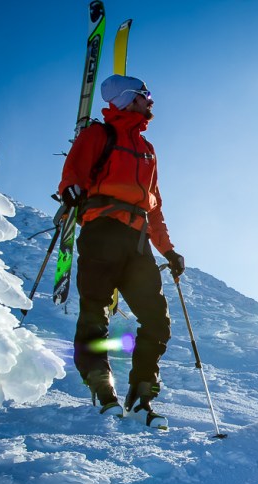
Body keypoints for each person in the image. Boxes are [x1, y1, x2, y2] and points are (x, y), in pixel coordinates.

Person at [58, 75, 185, 429]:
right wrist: (70, 191)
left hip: (138, 238)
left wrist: (169, 251)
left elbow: (154, 207)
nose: (151, 101)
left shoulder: (148, 149)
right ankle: (102, 388)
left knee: (157, 320)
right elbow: (73, 173)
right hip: (102, 231)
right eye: (145, 95)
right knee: (95, 313)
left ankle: (142, 396)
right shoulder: (97, 135)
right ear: (127, 99)